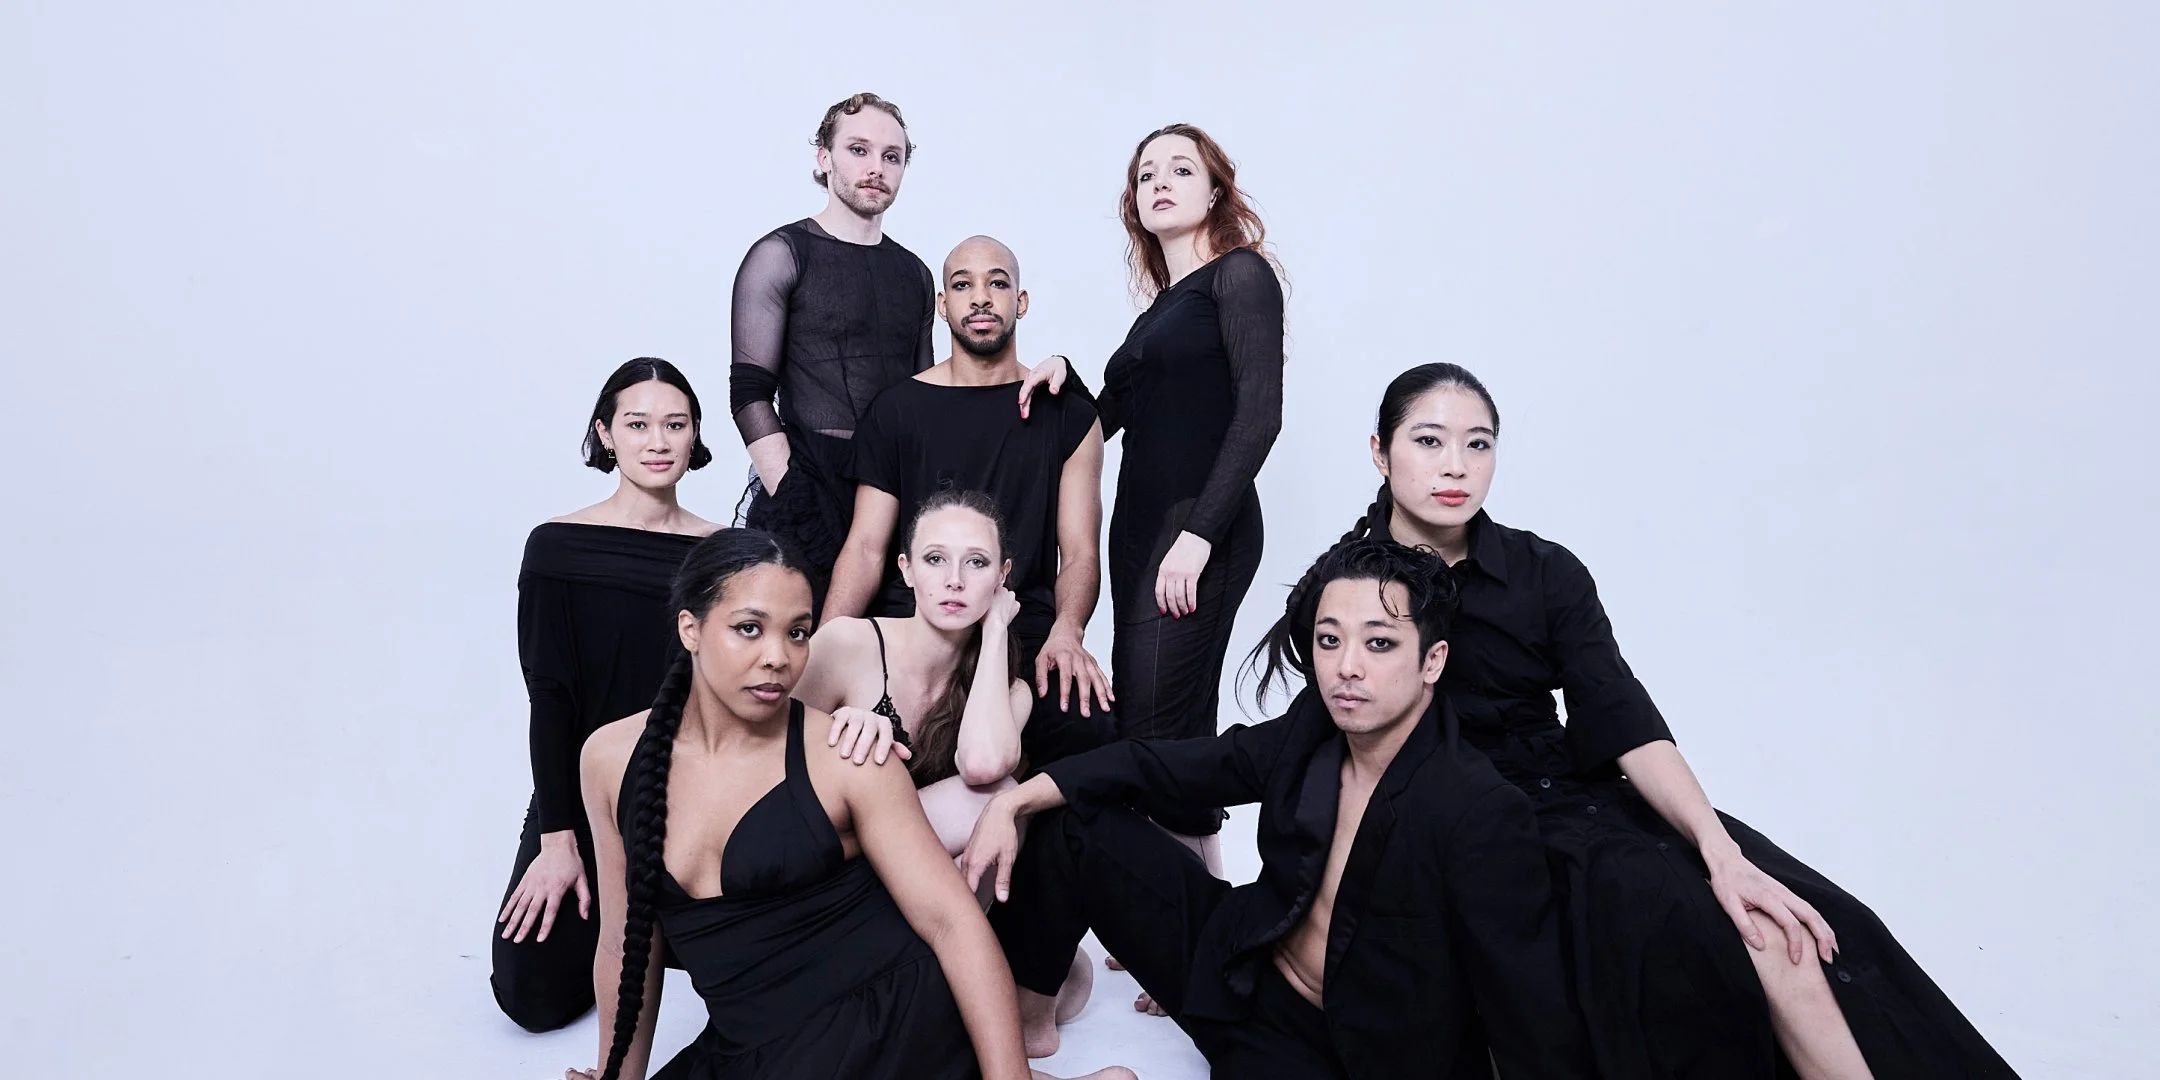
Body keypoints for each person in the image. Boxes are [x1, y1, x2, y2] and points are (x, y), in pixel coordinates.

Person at [1339, 362, 2022, 1079]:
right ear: (1381, 452)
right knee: (1673, 929)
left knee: (1789, 928)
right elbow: (1335, 745)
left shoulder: (1546, 571)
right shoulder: (1348, 584)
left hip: (1576, 799)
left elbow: (1621, 713)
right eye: (1429, 441)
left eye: (1479, 444)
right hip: (1472, 827)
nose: (1457, 466)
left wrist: (1720, 851)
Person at [962, 538, 1598, 1077]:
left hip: (1331, 1055)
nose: (1347, 668)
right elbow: (1174, 765)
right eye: (1329, 640)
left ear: (1433, 660)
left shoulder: (1479, 810)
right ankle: (1025, 1031)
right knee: (1073, 821)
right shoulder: (1315, 729)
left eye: (1379, 645)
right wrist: (1017, 798)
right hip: (1239, 968)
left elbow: (1530, 1015)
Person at [564, 529, 1133, 1080]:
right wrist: (617, 1074)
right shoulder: (608, 759)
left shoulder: (846, 752)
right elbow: (622, 945)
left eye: (797, 633)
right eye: (748, 629)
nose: (778, 658)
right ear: (691, 628)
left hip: (890, 1015)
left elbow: (952, 923)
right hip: (751, 1047)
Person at [1018, 122, 1284, 868]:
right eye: (1146, 175)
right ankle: (1197, 908)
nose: (1160, 182)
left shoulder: (1240, 276)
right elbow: (1106, 421)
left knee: (1151, 724)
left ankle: (1176, 918)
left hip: (1198, 529)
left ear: (1214, 190)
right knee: (1174, 723)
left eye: (1180, 169)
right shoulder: (1162, 310)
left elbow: (1261, 415)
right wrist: (1065, 372)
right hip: (1139, 532)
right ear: (1134, 202)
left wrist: (1199, 536)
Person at [797, 490, 1097, 1042]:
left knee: (1002, 796)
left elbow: (983, 765)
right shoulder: (848, 643)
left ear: (1002, 577)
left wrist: (997, 631)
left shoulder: (1010, 687)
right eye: (935, 559)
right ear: (906, 570)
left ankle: (947, 981)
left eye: (976, 562)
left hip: (920, 894)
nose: (954, 580)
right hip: (824, 866)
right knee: (992, 797)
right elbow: (759, 755)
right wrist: (832, 741)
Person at [729, 93, 1051, 602]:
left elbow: (931, 390)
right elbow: (748, 394)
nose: (876, 168)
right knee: (795, 656)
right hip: (807, 477)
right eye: (858, 150)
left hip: (895, 489)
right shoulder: (780, 254)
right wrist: (792, 494)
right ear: (824, 158)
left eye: (891, 156)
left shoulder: (914, 273)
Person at [492, 358, 722, 1032]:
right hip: (588, 804)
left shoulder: (726, 552)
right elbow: (550, 698)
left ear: (695, 436)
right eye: (638, 424)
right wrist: (556, 840)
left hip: (696, 798)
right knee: (532, 997)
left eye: (674, 425)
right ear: (606, 434)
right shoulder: (557, 546)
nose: (658, 441)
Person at [827, 235, 1113, 771]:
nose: (980, 298)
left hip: (1019, 629)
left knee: (1091, 732)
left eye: (997, 283)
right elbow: (865, 547)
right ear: (943, 305)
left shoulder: (1070, 415)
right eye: (963, 285)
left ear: (1020, 302)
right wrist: (823, 654)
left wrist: (1068, 631)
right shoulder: (897, 410)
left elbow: (1078, 552)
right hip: (911, 625)